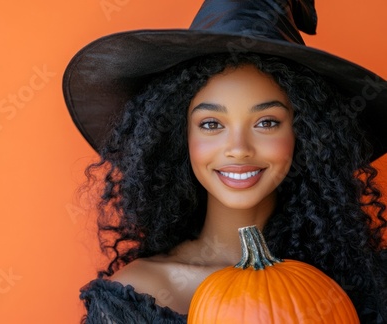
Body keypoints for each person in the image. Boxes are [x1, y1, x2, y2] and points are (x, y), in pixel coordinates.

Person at [62, 0, 387, 322]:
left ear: (305, 134)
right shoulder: (136, 296)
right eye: (211, 124)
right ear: (178, 138)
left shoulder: (368, 284)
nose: (238, 148)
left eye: (267, 122)